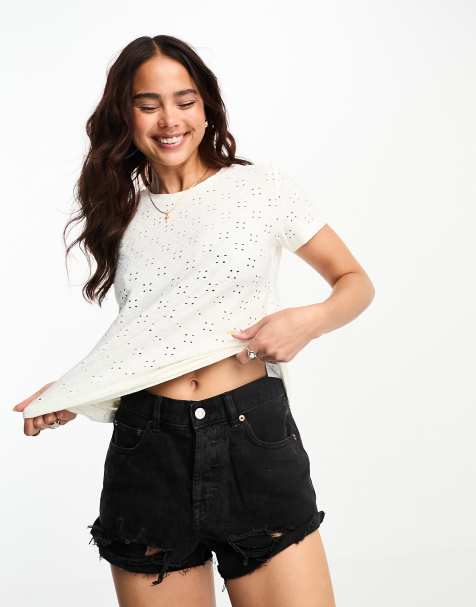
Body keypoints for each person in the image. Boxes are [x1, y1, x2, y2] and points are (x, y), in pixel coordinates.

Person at [13, 34, 375, 606]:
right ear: (125, 114)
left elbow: (355, 282)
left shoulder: (260, 188)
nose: (169, 120)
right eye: (148, 104)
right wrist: (75, 389)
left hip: (251, 436)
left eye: (184, 101)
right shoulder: (120, 212)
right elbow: (147, 333)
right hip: (148, 445)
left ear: (206, 106)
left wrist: (308, 321)